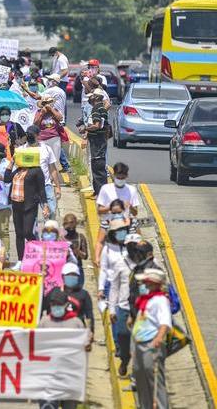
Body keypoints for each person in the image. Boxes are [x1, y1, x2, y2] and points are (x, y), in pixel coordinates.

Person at [37, 288, 87, 409]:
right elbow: (36, 346)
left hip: (69, 376)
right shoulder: (44, 322)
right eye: (53, 304)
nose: (56, 307)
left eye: (59, 304)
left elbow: (83, 348)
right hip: (48, 377)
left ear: (66, 305)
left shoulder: (76, 323)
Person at [131, 268, 172, 409]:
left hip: (152, 344)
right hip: (140, 344)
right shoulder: (146, 300)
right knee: (141, 377)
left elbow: (165, 322)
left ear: (153, 283)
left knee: (154, 379)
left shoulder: (161, 300)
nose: (143, 285)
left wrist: (159, 338)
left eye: (146, 282)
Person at [98, 217, 133, 376]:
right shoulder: (107, 249)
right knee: (117, 322)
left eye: (123, 231)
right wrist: (100, 288)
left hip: (132, 293)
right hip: (114, 289)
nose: (121, 234)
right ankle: (120, 347)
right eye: (118, 231)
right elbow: (104, 270)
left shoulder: (131, 248)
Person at [5, 147, 49, 262]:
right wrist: (12, 161)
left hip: (29, 206)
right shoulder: (18, 170)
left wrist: (44, 205)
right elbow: (6, 178)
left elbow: (41, 190)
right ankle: (21, 260)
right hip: (16, 205)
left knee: (27, 232)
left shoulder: (36, 170)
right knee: (19, 234)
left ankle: (37, 253)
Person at [80, 91, 109, 196]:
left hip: (96, 142)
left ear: (95, 98)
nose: (89, 99)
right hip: (101, 141)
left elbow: (97, 125)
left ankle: (99, 192)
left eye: (91, 97)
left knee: (96, 166)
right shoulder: (103, 109)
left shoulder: (96, 109)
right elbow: (106, 127)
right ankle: (100, 191)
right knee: (100, 166)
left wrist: (85, 129)